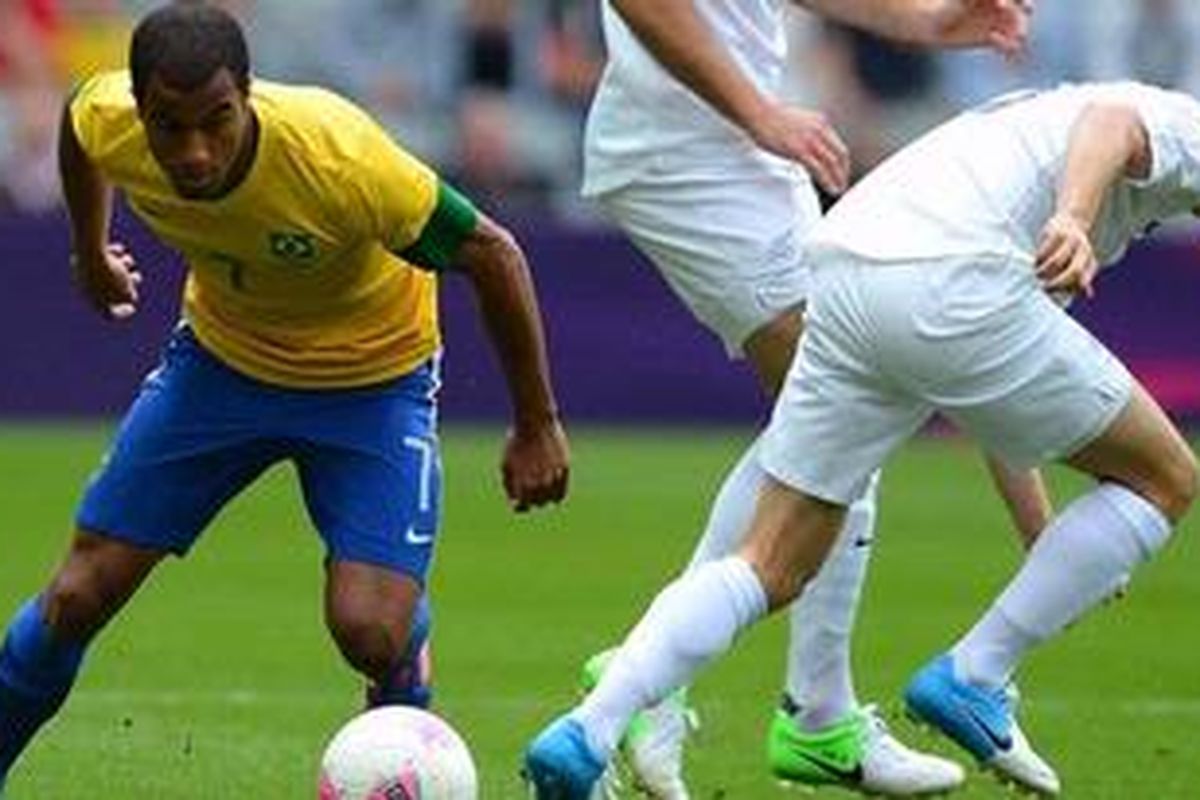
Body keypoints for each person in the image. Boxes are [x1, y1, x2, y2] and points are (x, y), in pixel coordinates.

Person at [526, 79, 1200, 799]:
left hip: (852, 265)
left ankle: (588, 730)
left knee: (770, 565)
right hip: (950, 277)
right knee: (1165, 478)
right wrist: (1073, 214)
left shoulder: (1036, 135)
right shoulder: (1166, 123)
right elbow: (1115, 123)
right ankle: (978, 672)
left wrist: (1040, 529)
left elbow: (988, 391)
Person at [0, 0, 570, 794]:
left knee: (371, 631)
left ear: (248, 96)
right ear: (139, 108)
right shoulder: (111, 118)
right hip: (221, 368)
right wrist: (89, 249)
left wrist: (536, 423)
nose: (194, 151)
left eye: (217, 121)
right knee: (76, 594)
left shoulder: (337, 157)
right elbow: (77, 124)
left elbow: (493, 253)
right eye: (169, 125)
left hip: (371, 379)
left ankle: (405, 646)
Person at [572, 1, 1048, 797]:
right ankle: (812, 718)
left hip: (737, 155)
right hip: (688, 154)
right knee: (852, 399)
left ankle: (664, 680)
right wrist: (760, 112)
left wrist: (928, 22)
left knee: (845, 406)